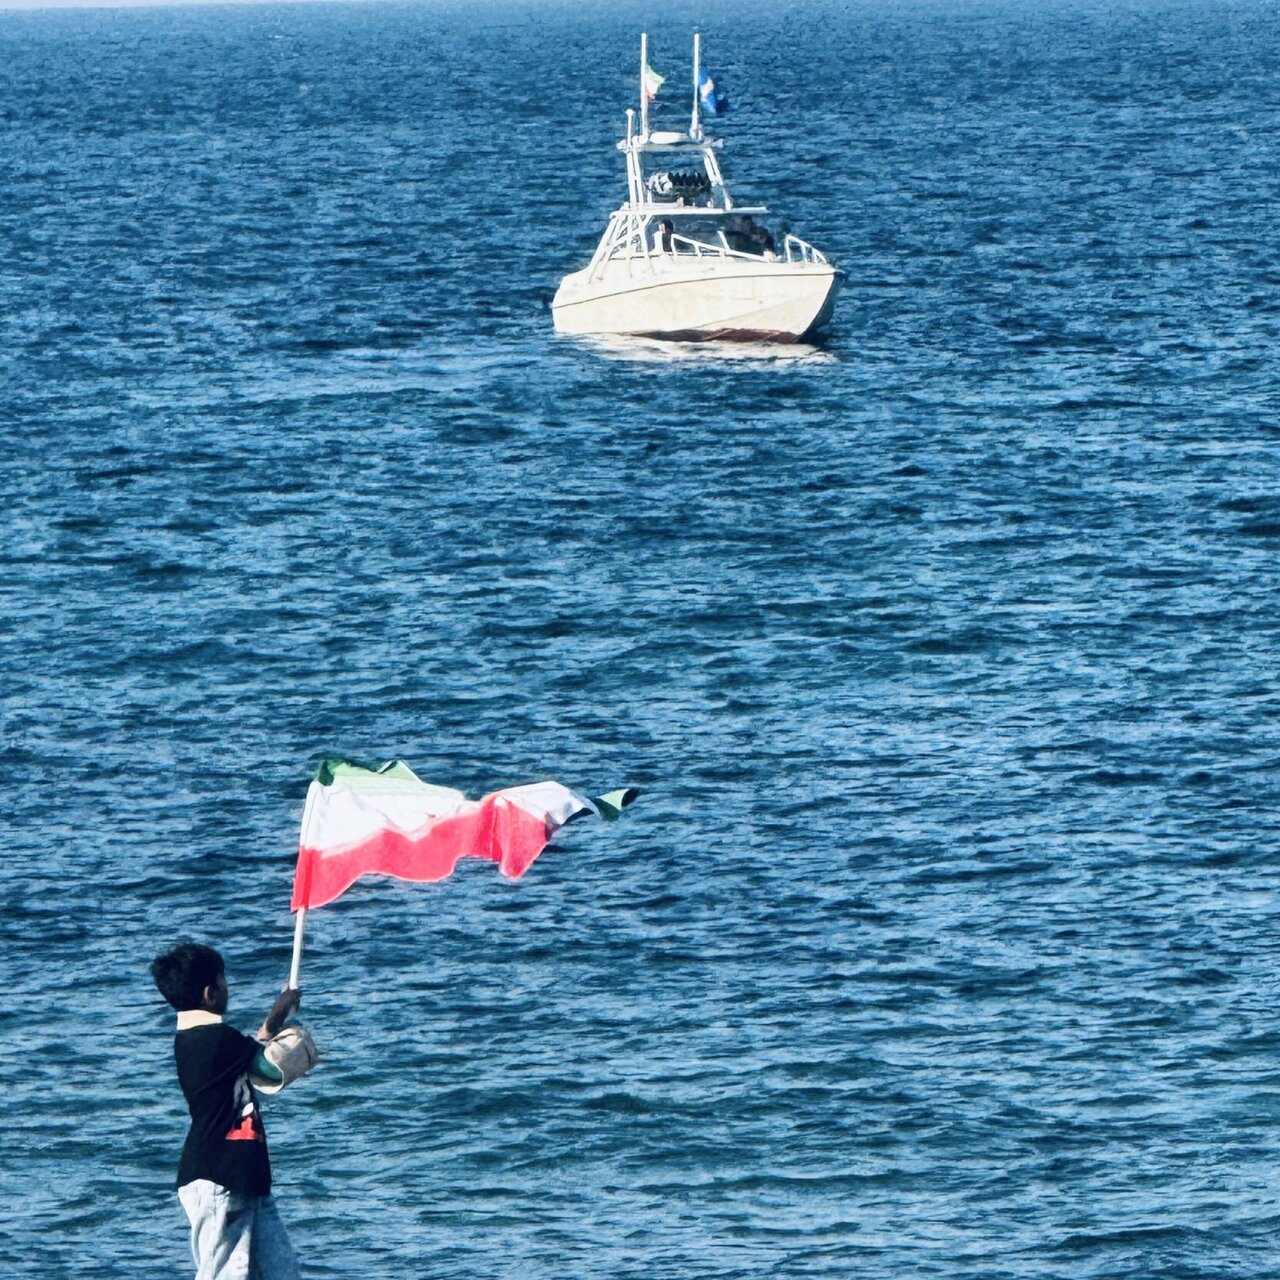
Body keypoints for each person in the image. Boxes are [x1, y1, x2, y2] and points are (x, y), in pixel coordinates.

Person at [152, 941, 303, 1280]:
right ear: (209, 993)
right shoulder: (216, 1039)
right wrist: (287, 1021)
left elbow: (250, 1052)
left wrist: (277, 1016)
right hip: (219, 1178)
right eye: (223, 981)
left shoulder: (198, 1039)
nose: (227, 988)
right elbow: (269, 1067)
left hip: (243, 1178)